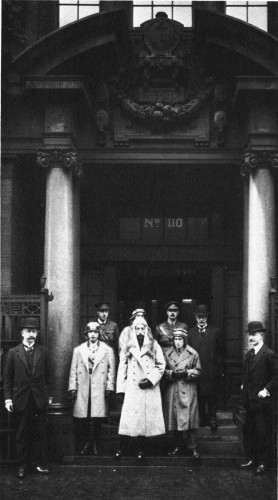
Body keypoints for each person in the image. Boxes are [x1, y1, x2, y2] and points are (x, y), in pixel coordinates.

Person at [4, 317, 51, 479]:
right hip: (20, 400)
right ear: (22, 333)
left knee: (38, 432)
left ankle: (36, 464)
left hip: (38, 400)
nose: (31, 334)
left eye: (34, 331)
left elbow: (48, 376)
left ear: (37, 334)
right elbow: (7, 379)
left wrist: (47, 396)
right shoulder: (13, 353)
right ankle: (22, 466)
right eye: (28, 331)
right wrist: (8, 399)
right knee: (22, 433)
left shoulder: (43, 352)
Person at [115, 317, 165, 460]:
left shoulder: (154, 345)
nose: (140, 331)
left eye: (143, 328)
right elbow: (122, 367)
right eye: (137, 328)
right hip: (132, 387)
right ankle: (122, 448)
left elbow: (161, 365)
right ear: (133, 330)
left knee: (144, 420)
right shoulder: (128, 346)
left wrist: (150, 380)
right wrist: (120, 389)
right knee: (128, 420)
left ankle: (141, 449)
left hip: (148, 387)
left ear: (147, 329)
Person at [68, 321, 115, 456]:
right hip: (83, 385)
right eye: (90, 332)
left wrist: (109, 386)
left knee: (96, 417)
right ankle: (86, 443)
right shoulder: (79, 350)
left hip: (99, 386)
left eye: (95, 332)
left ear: (99, 334)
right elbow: (73, 369)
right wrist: (72, 387)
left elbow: (111, 370)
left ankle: (95, 443)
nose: (93, 335)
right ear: (86, 334)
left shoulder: (107, 350)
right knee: (85, 416)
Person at [240, 321, 278, 475]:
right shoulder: (250, 354)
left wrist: (266, 390)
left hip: (262, 402)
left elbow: (277, 375)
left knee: (262, 432)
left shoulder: (268, 354)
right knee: (250, 431)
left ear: (261, 335)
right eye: (249, 334)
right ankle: (253, 459)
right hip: (250, 401)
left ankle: (263, 462)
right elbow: (247, 374)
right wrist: (244, 386)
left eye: (254, 334)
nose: (251, 337)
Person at [163, 327, 201, 458]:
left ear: (185, 340)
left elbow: (198, 370)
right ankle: (177, 445)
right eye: (175, 339)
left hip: (188, 389)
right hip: (174, 389)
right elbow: (162, 370)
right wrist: (171, 373)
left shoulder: (193, 353)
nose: (177, 342)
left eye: (180, 339)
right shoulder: (167, 354)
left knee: (191, 420)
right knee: (175, 419)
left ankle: (193, 447)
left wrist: (187, 373)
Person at [188, 304, 223, 430]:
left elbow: (220, 351)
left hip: (211, 368)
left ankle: (213, 417)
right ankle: (202, 417)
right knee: (199, 394)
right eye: (199, 317)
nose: (201, 319)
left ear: (207, 317)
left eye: (203, 317)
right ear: (195, 317)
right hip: (197, 368)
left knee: (212, 394)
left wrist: (217, 367)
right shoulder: (190, 333)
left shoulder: (215, 331)